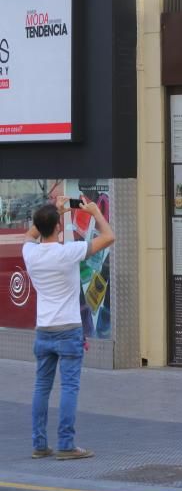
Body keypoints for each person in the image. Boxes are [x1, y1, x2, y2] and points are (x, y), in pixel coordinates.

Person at [22, 196, 115, 460]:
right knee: (69, 387)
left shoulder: (29, 253)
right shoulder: (68, 252)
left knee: (41, 387)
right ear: (59, 228)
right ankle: (66, 444)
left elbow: (30, 235)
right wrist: (96, 212)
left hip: (44, 330)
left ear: (39, 228)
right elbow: (108, 237)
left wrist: (54, 213)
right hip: (69, 329)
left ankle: (39, 444)